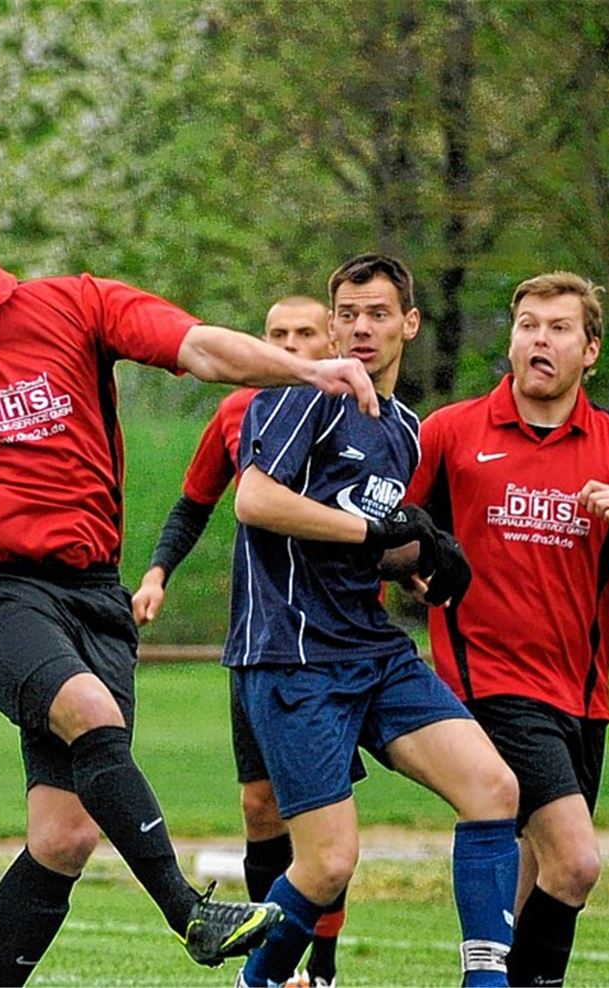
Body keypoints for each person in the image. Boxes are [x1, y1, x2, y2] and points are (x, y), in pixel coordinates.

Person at [0, 214, 380, 985]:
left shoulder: (72, 305)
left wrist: (306, 371)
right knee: (90, 712)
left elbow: (199, 346)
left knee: (63, 838)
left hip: (95, 598)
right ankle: (190, 913)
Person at [227, 254, 520, 988]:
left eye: (379, 314)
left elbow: (368, 533)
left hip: (372, 648)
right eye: (348, 314)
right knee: (328, 862)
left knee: (493, 789)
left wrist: (422, 554)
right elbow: (255, 501)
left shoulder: (406, 428)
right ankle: (256, 981)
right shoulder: (303, 395)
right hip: (294, 653)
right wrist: (374, 533)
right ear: (331, 328)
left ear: (409, 325)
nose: (361, 327)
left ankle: (486, 982)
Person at [404, 271, 609, 987]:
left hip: (582, 697)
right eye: (528, 324)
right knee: (577, 861)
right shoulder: (452, 431)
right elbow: (389, 527)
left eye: (559, 328)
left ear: (590, 350)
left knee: (537, 876)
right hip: (490, 685)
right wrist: (407, 568)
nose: (540, 339)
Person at [132, 296, 348, 988]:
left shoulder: (359, 415)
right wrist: (158, 573)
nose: (290, 345)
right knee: (260, 805)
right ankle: (274, 963)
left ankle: (322, 970)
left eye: (305, 333)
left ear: (333, 340)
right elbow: (193, 504)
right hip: (260, 638)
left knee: (323, 816)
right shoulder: (238, 412)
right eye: (277, 334)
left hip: (338, 641)